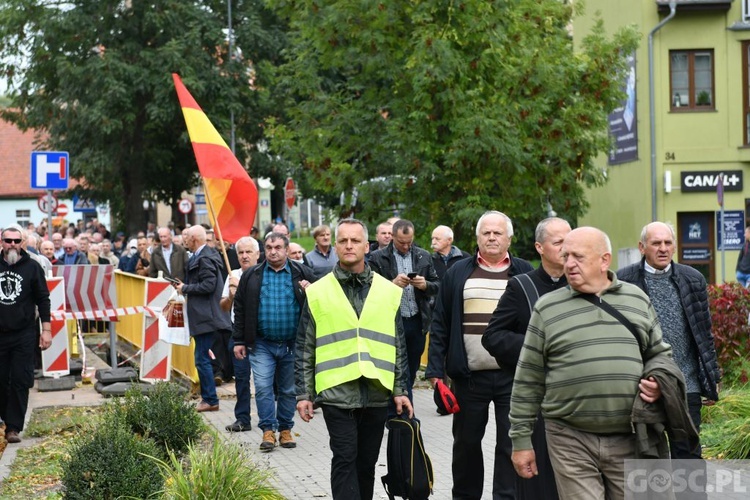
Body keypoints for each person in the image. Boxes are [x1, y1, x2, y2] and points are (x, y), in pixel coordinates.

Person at [509, 227, 673, 499]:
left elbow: (660, 354)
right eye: (566, 256)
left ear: (604, 260)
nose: (569, 264)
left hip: (630, 436)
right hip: (569, 437)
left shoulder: (636, 299)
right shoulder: (547, 308)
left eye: (578, 257)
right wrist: (521, 441)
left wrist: (658, 383)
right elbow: (529, 377)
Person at [296, 218, 413, 500]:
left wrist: (400, 390)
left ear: (367, 246)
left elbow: (398, 345)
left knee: (367, 463)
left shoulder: (387, 291)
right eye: (343, 241)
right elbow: (305, 346)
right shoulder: (318, 292)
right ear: (335, 246)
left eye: (355, 240)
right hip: (337, 392)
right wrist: (304, 393)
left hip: (376, 391)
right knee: (345, 458)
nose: (349, 246)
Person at [425, 210, 533, 500]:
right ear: (477, 238)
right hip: (468, 376)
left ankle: (507, 497)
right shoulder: (458, 272)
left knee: (511, 443)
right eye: (486, 232)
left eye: (498, 232)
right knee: (466, 444)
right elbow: (441, 322)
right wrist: (435, 371)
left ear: (509, 238)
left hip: (515, 376)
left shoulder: (524, 272)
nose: (492, 237)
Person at [481, 216, 571, 500]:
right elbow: (493, 337)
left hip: (581, 406)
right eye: (559, 243)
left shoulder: (586, 286)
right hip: (538, 407)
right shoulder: (522, 287)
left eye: (570, 242)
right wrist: (537, 347)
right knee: (538, 485)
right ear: (539, 247)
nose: (566, 249)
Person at [617, 221, 720, 459]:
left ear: (674, 247)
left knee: (688, 457)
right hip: (642, 384)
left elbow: (704, 333)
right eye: (656, 243)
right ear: (642, 247)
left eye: (667, 242)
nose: (663, 248)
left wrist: (711, 376)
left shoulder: (692, 279)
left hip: (686, 384)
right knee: (647, 456)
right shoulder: (624, 280)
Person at [232, 232, 315, 451]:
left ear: (287, 250)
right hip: (261, 343)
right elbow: (239, 307)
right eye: (269, 247)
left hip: (292, 343)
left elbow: (319, 304)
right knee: (262, 387)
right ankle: (268, 431)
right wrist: (238, 340)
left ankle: (285, 430)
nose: (273, 251)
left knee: (288, 390)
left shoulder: (301, 272)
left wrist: (311, 292)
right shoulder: (252, 275)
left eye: (278, 247)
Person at [369, 219, 439, 401]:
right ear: (392, 237)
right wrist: (392, 284)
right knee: (395, 369)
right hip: (391, 321)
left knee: (412, 369)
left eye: (410, 242)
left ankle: (401, 413)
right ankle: (403, 413)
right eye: (401, 243)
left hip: (417, 320)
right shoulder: (377, 257)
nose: (406, 246)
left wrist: (425, 285)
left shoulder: (423, 256)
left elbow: (438, 285)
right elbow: (369, 290)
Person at [0, 226, 52, 444]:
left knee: (21, 380)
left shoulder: (32, 266)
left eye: (16, 241)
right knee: (2, 380)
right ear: (1, 242)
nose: (12, 244)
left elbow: (43, 298)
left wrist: (46, 330)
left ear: (23, 242)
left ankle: (13, 427)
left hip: (24, 333)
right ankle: (5, 417)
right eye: (8, 240)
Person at [173, 225, 231, 413]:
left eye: (187, 238)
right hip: (205, 316)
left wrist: (185, 288)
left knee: (202, 359)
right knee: (203, 358)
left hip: (207, 317)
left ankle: (210, 399)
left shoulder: (204, 258)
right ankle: (209, 398)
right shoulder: (204, 255)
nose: (184, 241)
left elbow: (208, 285)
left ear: (195, 239)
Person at [220, 236, 260, 432]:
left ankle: (269, 422)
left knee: (264, 380)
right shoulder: (232, 275)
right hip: (238, 335)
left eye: (248, 252)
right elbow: (223, 307)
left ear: (257, 254)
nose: (244, 256)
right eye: (241, 253)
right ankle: (242, 419)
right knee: (242, 379)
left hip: (261, 335)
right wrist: (231, 295)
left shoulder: (264, 274)